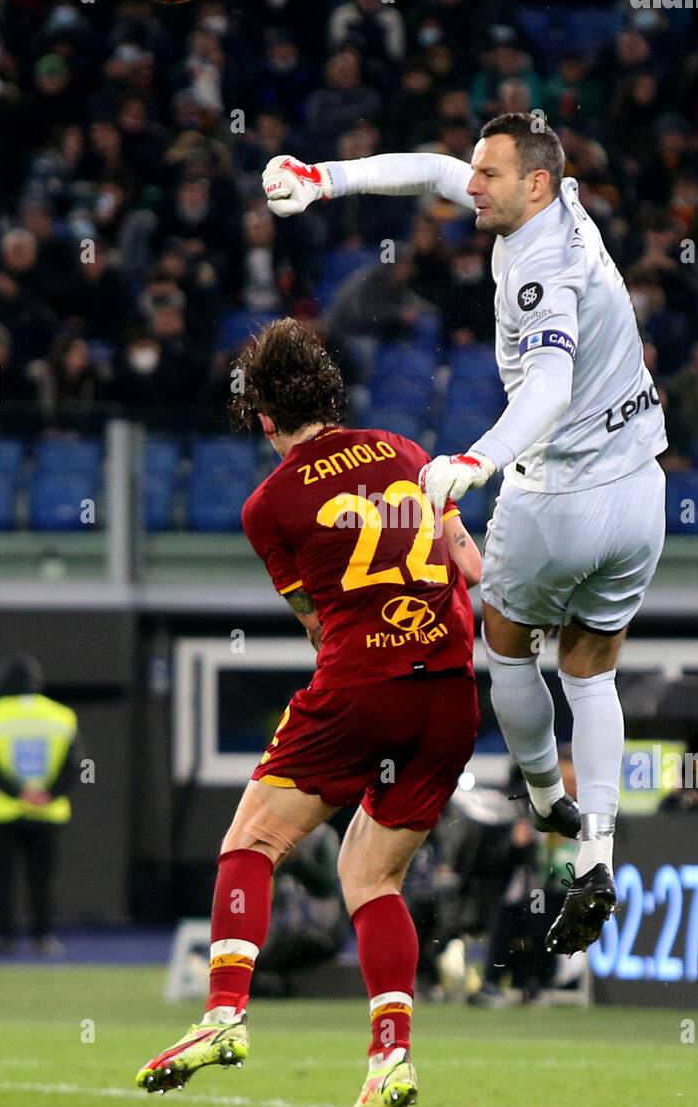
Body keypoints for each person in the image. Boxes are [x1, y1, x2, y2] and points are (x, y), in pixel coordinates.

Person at [262, 111, 669, 957]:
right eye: (477, 169)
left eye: (488, 174)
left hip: (558, 490)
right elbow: (431, 168)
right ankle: (596, 848)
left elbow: (550, 385)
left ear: (535, 184)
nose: (468, 184)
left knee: (510, 647)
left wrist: (477, 462)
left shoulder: (541, 275)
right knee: (593, 671)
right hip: (641, 488)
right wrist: (324, 178)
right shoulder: (556, 207)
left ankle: (541, 792)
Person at [137, 317, 482, 1107]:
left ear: (261, 418)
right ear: (333, 393)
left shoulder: (269, 506)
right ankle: (390, 1056)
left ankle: (223, 1013)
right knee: (371, 877)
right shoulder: (405, 451)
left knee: (252, 836)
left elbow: (321, 634)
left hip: (364, 684)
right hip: (452, 690)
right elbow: (473, 567)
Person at [0, 654, 80, 957]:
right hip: (47, 812)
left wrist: (19, 793)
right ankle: (43, 936)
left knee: (1, 878)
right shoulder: (62, 716)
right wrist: (48, 794)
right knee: (42, 878)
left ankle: (3, 936)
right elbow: (74, 765)